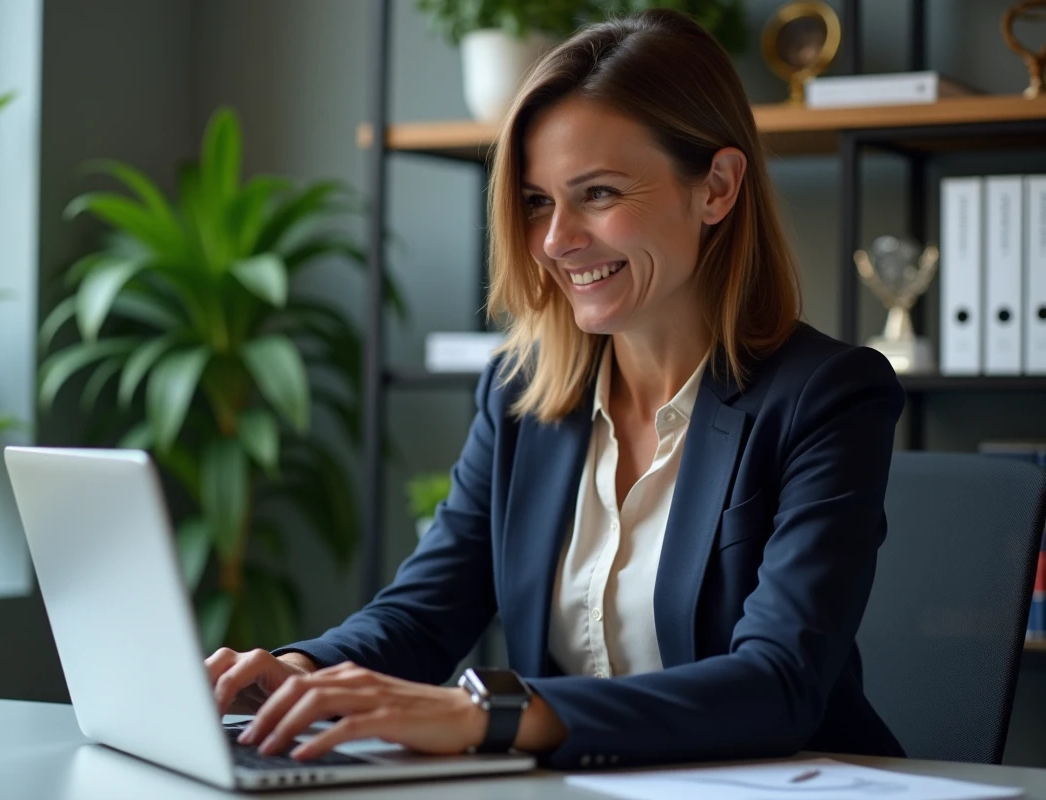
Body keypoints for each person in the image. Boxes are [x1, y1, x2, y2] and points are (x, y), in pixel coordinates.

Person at [204, 8, 906, 770]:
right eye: (538, 200)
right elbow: (425, 612)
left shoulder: (827, 398)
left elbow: (778, 684)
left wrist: (487, 714)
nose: (553, 240)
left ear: (717, 187)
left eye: (598, 193)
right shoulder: (519, 395)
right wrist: (298, 672)